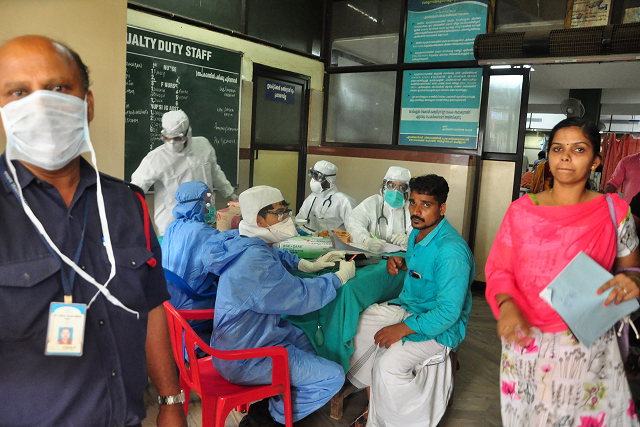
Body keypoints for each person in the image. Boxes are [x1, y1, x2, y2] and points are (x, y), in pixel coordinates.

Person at [0, 36, 186, 426]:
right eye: (18, 92)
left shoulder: (128, 204)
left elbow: (151, 308)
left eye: (58, 89)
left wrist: (171, 400)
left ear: (87, 104)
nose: (41, 106)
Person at [485, 117, 640, 427]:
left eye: (579, 149)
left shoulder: (615, 211)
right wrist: (507, 305)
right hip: (525, 339)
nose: (565, 157)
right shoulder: (522, 211)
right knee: (530, 417)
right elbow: (501, 269)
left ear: (596, 160)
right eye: (558, 148)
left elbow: (632, 268)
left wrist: (631, 282)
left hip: (585, 342)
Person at [207, 185, 356, 426]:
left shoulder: (245, 242)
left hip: (245, 339)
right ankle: (269, 418)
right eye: (279, 213)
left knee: (310, 342)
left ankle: (280, 396)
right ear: (259, 219)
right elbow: (300, 297)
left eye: (286, 211)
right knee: (333, 377)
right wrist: (336, 279)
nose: (286, 218)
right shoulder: (254, 263)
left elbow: (273, 255)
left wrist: (305, 265)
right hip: (246, 356)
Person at [346, 174, 475, 427]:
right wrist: (405, 263)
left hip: (439, 327)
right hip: (410, 308)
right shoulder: (418, 233)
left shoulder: (451, 252)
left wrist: (402, 329)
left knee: (388, 365)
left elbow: (449, 312)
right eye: (413, 202)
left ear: (442, 208)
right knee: (358, 328)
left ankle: (394, 422)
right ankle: (375, 406)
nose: (416, 210)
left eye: (426, 204)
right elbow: (425, 270)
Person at [131, 109, 238, 236]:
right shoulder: (156, 159)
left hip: (206, 217)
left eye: (177, 138)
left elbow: (215, 172)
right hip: (172, 224)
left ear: (188, 134)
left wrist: (230, 193)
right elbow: (136, 188)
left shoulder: (203, 146)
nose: (171, 143)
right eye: (167, 138)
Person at [162, 181, 220, 312]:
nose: (210, 207)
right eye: (207, 202)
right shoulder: (205, 232)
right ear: (196, 204)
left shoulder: (173, 226)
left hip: (167, 302)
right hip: (191, 304)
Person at [346, 166, 412, 252]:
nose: (396, 191)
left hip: (401, 256)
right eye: (391, 185)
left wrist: (410, 241)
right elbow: (354, 223)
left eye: (401, 187)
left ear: (406, 190)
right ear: (385, 186)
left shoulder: (409, 208)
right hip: (373, 253)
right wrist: (366, 240)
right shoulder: (372, 203)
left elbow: (418, 231)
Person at [298, 160, 356, 234]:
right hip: (310, 242)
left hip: (334, 243)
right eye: (313, 176)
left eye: (317, 177)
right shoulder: (311, 198)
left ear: (329, 180)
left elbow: (354, 229)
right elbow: (299, 220)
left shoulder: (345, 201)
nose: (313, 180)